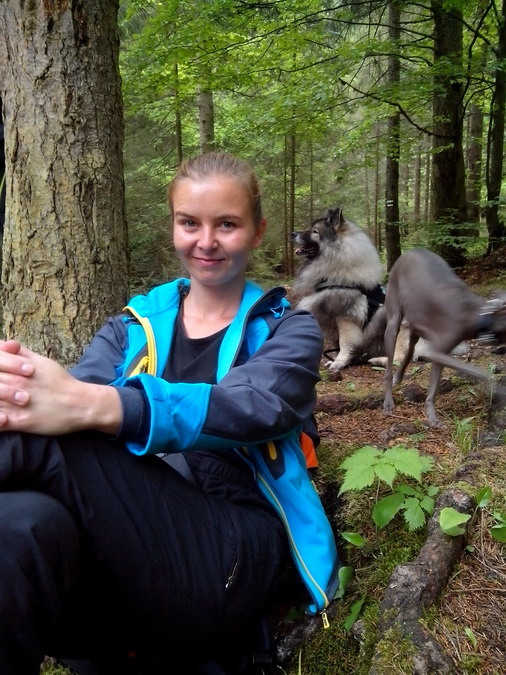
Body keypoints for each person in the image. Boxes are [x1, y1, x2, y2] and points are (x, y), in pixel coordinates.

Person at [0, 152, 340, 675]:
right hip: (127, 557)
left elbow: (249, 407)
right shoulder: (128, 329)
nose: (206, 241)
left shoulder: (288, 330)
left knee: (48, 439)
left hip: (232, 554)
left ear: (257, 231)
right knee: (20, 527)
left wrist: (102, 404)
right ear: (174, 227)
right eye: (190, 223)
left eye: (226, 224)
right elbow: (66, 407)